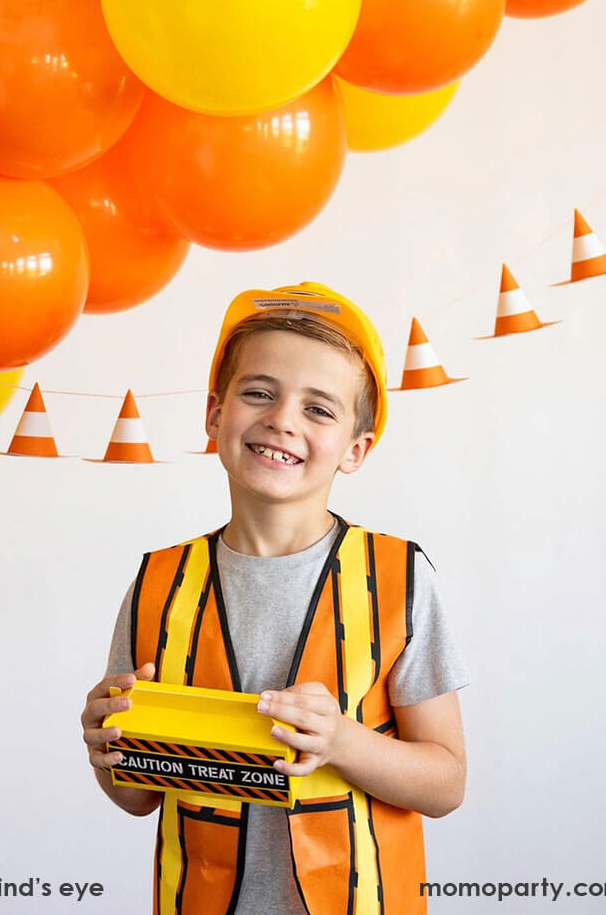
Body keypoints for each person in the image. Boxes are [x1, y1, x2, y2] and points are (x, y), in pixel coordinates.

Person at [81, 282, 471, 915]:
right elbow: (139, 798)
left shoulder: (397, 577)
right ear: (215, 414)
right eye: (258, 392)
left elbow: (446, 783)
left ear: (356, 449)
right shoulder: (157, 584)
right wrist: (106, 749)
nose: (282, 419)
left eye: (319, 408)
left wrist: (341, 741)